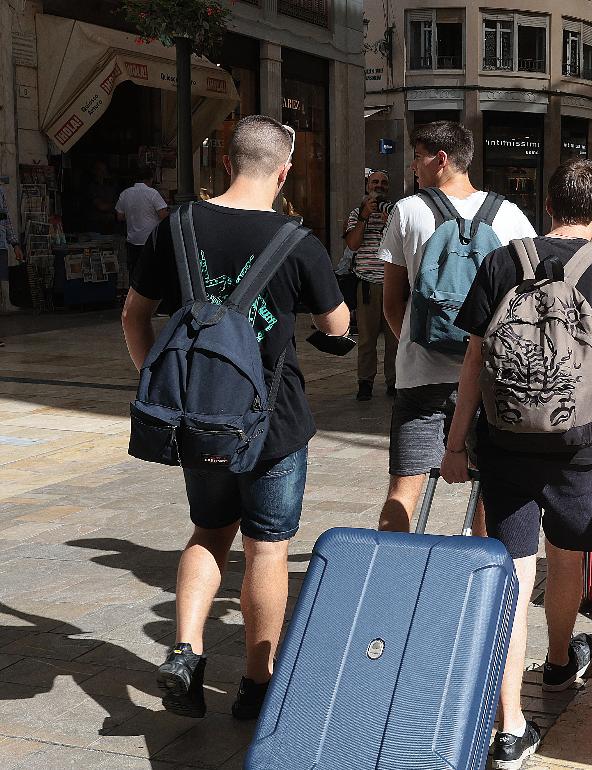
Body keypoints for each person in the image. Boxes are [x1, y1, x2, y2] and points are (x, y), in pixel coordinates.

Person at [121, 115, 350, 720]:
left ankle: (187, 652)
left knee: (209, 532)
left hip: (203, 417)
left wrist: (169, 385)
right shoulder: (297, 241)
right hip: (273, 423)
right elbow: (338, 325)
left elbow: (133, 316)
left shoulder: (177, 225)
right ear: (283, 171)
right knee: (268, 550)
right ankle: (255, 683)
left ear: (225, 164)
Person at [440, 158, 592, 770]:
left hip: (504, 441)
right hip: (575, 441)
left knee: (513, 574)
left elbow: (474, 357)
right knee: (567, 554)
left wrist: (454, 444)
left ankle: (511, 727)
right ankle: (558, 661)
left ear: (547, 204)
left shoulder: (503, 261)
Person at [374, 121, 535, 536]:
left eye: (418, 156)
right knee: (489, 489)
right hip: (489, 376)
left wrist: (415, 341)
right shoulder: (510, 216)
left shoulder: (407, 210)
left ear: (441, 160)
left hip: (420, 375)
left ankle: (392, 573)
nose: (413, 165)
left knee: (403, 488)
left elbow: (392, 301)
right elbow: (526, 299)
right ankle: (474, 575)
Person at [344, 170, 398, 400]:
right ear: (367, 185)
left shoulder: (396, 212)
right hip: (367, 284)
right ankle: (365, 382)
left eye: (384, 182)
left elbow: (403, 244)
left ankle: (394, 382)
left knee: (394, 340)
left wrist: (391, 225)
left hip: (393, 285)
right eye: (375, 182)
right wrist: (364, 217)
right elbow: (353, 244)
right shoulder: (357, 213)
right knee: (366, 339)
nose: (379, 186)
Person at [115, 167, 169, 276]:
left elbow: (119, 216)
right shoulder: (152, 193)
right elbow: (163, 215)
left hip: (132, 240)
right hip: (150, 240)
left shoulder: (125, 193)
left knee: (134, 271)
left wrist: (133, 216)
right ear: (150, 179)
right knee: (151, 271)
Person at [0, 185, 23, 319]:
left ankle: (5, 303)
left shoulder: (1, 191)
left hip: (2, 242)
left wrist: (15, 244)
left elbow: (6, 218)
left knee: (3, 276)